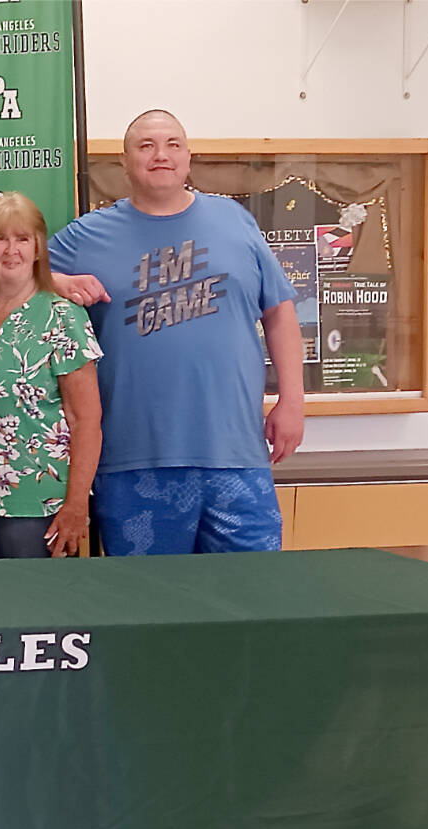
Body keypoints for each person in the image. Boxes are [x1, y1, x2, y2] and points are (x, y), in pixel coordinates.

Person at [48, 109, 305, 555]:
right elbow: (6, 277)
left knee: (255, 603)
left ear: (188, 159)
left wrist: (293, 401)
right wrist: (59, 282)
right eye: (145, 146)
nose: (160, 155)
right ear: (124, 164)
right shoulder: (88, 235)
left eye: (172, 145)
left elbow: (280, 313)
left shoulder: (235, 220)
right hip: (132, 462)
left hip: (236, 454)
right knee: (149, 609)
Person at [0, 193, 103, 559]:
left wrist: (77, 505)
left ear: (38, 249)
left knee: (32, 612)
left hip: (36, 505)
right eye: (1, 238)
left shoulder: (63, 317)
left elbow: (86, 419)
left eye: (23, 239)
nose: (11, 249)